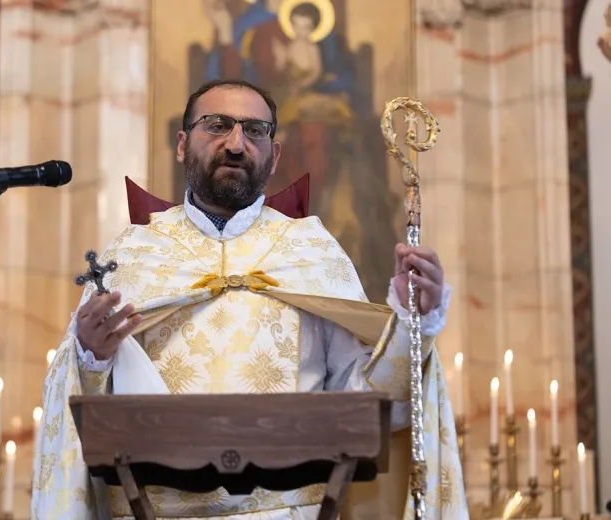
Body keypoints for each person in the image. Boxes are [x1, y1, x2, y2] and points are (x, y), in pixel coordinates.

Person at [31, 79, 469, 520]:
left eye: (255, 130)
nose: (236, 144)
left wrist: (413, 322)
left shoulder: (311, 251)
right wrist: (90, 358)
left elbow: (371, 408)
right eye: (217, 125)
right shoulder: (132, 255)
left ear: (274, 155)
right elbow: (82, 416)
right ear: (182, 145)